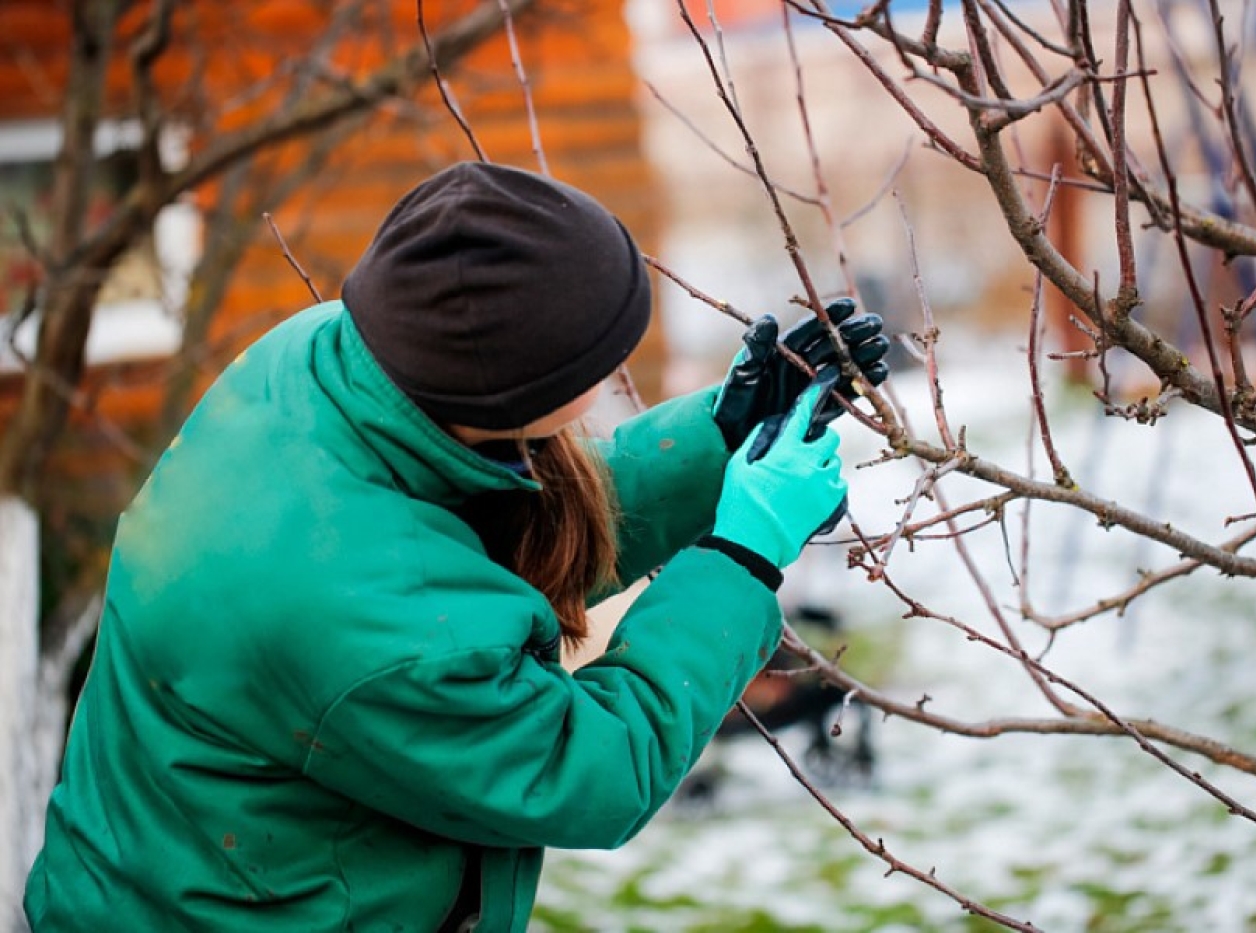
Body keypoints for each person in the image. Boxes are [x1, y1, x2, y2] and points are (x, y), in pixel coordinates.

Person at [24, 162, 889, 932]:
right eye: (599, 363)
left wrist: (717, 441)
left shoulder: (329, 361)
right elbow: (587, 766)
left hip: (178, 871)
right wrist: (742, 558)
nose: (606, 383)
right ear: (521, 396)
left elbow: (478, 544)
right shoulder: (369, 616)